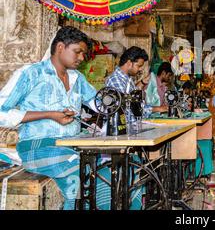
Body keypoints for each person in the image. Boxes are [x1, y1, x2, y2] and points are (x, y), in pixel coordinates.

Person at [0, 26, 142, 210]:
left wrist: (119, 102)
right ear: (60, 47)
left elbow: (99, 103)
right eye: (78, 52)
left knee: (125, 166)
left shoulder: (77, 78)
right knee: (82, 170)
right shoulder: (31, 74)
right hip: (38, 146)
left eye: (83, 53)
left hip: (71, 146)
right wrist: (49, 114)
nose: (82, 58)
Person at [105, 46, 168, 126]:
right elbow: (129, 109)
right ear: (129, 63)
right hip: (122, 129)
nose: (140, 69)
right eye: (138, 66)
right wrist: (156, 109)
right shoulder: (116, 80)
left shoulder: (128, 80)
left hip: (130, 127)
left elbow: (136, 105)